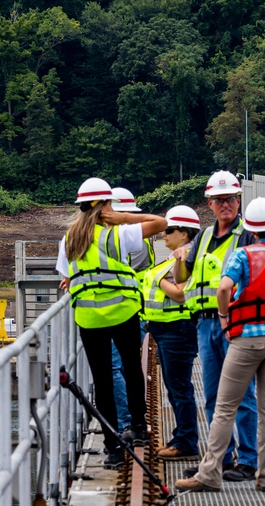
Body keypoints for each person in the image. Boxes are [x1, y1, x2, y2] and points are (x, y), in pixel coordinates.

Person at [174, 197, 265, 493]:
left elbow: (224, 288)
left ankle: (209, 475)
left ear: (252, 229)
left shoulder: (243, 254)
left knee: (224, 407)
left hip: (247, 340)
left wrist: (223, 318)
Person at [56, 177, 167, 469]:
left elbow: (66, 274)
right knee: (132, 369)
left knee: (103, 381)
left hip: (89, 318)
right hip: (123, 312)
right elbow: (160, 222)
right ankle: (139, 430)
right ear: (107, 206)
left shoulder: (69, 240)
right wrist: (123, 218)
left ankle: (113, 449)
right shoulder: (117, 235)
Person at [174, 170, 258, 482]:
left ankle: (249, 461)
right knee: (212, 396)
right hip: (206, 325)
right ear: (210, 203)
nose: (226, 205)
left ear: (239, 201)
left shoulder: (247, 236)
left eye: (231, 199)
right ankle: (222, 458)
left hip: (236, 324)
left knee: (243, 395)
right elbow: (183, 280)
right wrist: (179, 257)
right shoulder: (203, 237)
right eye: (220, 200)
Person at [141, 205, 201, 460]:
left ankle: (186, 442)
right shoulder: (175, 257)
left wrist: (157, 280)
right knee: (175, 388)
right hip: (165, 331)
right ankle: (181, 437)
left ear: (185, 233)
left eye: (170, 230)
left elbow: (180, 294)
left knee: (179, 388)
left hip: (178, 330)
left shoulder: (187, 258)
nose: (163, 234)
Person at [108, 186, 155, 440]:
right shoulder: (138, 239)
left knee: (116, 365)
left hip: (126, 310)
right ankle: (130, 421)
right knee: (125, 365)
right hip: (134, 310)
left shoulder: (128, 242)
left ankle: (126, 422)